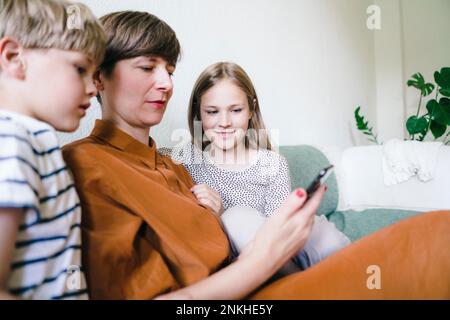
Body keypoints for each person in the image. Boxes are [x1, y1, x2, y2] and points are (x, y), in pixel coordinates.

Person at [62, 10, 450, 300]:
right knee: (434, 243)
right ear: (98, 79)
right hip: (242, 291)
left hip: (267, 273)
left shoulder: (173, 165)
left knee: (434, 232)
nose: (165, 83)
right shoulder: (85, 165)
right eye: (147, 67)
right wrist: (256, 263)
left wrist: (215, 214)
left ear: (250, 111)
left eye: (169, 69)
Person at [160, 61, 351, 271]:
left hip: (281, 245)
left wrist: (224, 211)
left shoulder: (271, 163)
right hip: (246, 260)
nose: (224, 122)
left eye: (235, 110)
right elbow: (144, 157)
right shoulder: (187, 159)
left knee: (325, 236)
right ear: (199, 113)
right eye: (212, 112)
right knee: (236, 217)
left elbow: (279, 234)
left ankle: (345, 273)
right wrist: (223, 216)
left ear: (251, 109)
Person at [0, 0, 106, 299]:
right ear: (14, 58)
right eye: (80, 68)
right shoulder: (12, 141)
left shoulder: (33, 140)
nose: (93, 87)